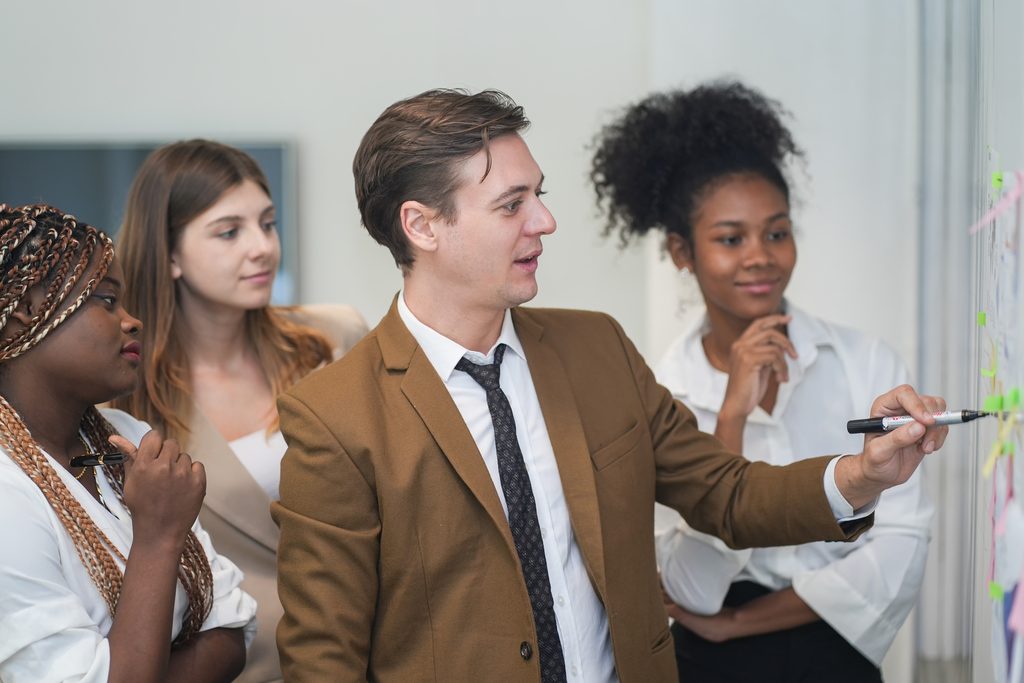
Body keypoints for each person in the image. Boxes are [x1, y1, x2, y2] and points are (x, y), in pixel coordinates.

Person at [271, 88, 947, 682]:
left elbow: (727, 494)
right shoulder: (336, 417)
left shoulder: (596, 348)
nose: (545, 220)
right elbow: (324, 658)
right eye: (513, 204)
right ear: (422, 225)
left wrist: (862, 473)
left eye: (540, 194)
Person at [590, 81, 933, 682]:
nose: (760, 256)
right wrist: (731, 418)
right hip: (705, 660)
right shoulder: (657, 390)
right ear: (681, 252)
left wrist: (743, 624)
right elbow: (689, 588)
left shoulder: (865, 362)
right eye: (730, 239)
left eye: (777, 232)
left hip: (833, 651)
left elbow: (902, 541)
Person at [111, 139, 368, 683]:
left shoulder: (336, 337)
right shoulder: (125, 397)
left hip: (369, 650)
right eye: (229, 232)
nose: (262, 248)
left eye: (268, 224)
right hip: (244, 666)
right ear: (171, 254)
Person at [0, 204, 256, 682]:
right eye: (105, 300)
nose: (133, 321)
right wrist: (159, 537)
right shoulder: (5, 492)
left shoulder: (127, 436)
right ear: (19, 317)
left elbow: (233, 631)